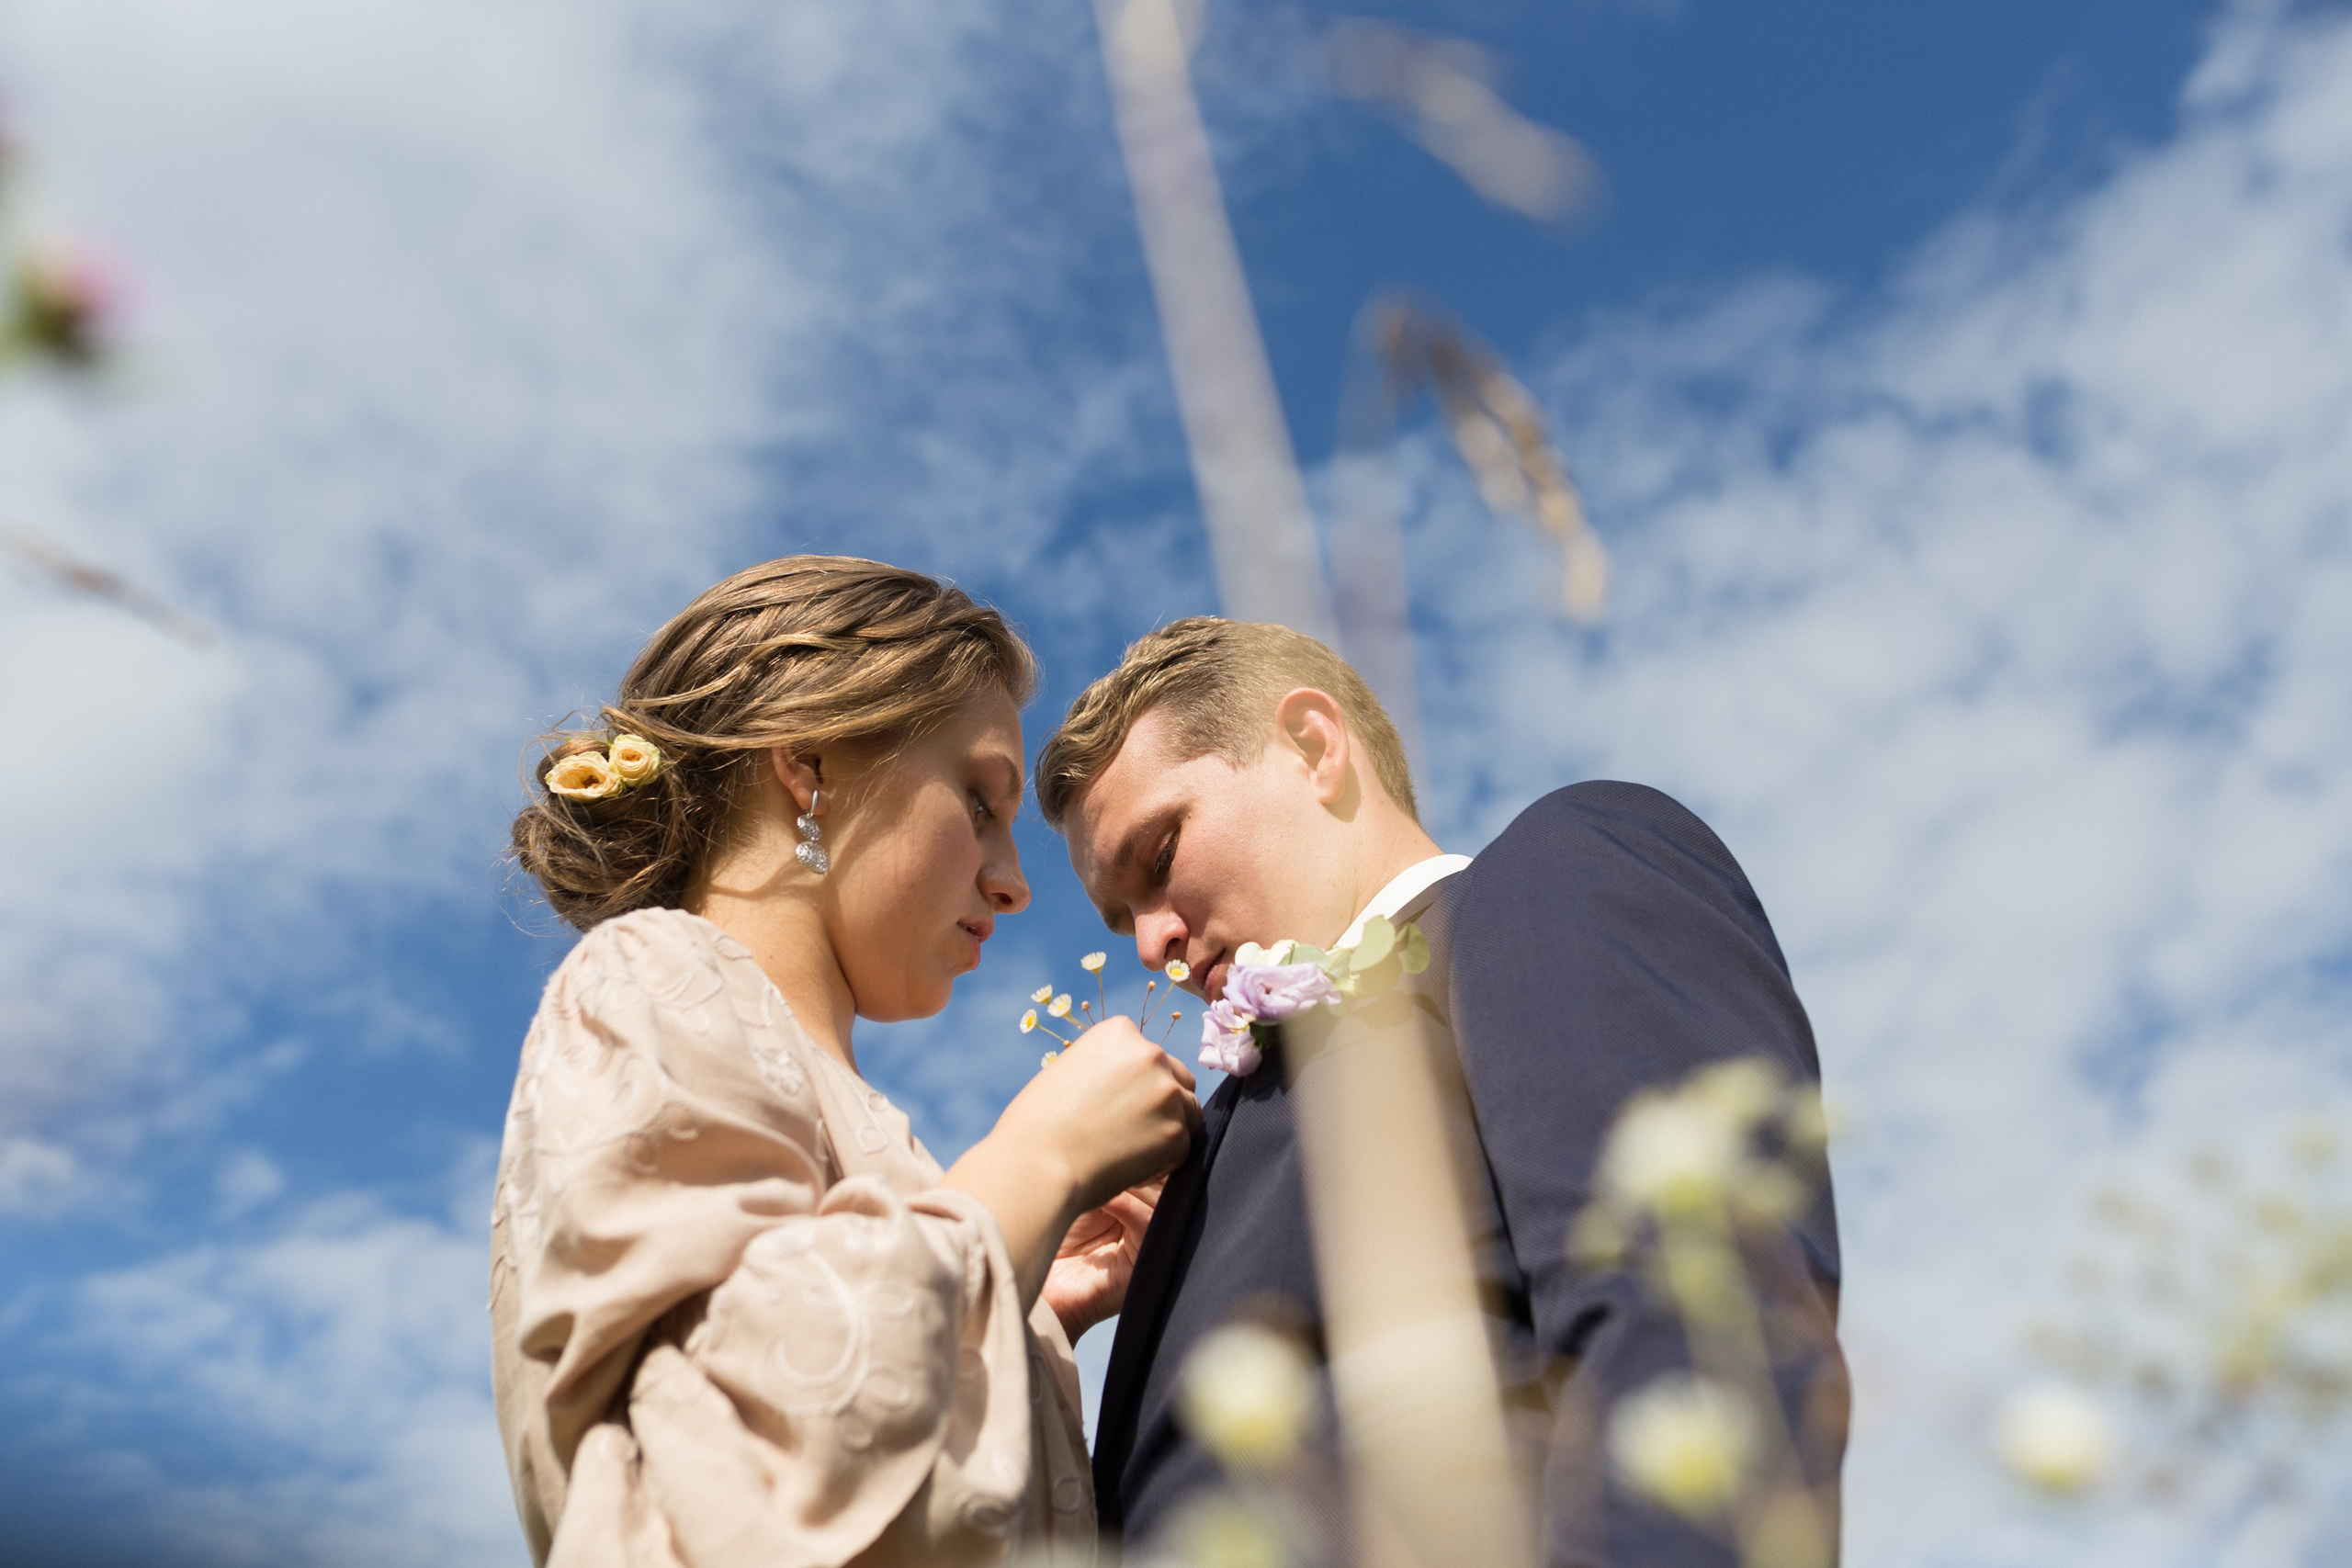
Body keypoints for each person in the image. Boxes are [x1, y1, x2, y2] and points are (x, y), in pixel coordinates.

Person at [1035, 616, 1849, 1565]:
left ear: (1312, 744)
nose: (1148, 946)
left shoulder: (1544, 886)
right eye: (1118, 913)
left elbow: (1697, 1341)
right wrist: (1044, 1316)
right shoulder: (1195, 1162)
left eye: (1160, 855)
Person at [492, 557, 1199, 1567]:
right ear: (811, 766)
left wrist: (1034, 1310)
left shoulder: (871, 1122)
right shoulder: (652, 974)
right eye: (978, 799)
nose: (1013, 884)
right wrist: (1033, 1167)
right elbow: (712, 1465)